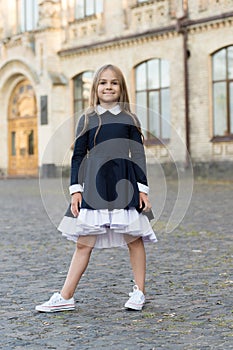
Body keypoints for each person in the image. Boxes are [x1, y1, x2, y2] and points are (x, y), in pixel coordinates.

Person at [35, 64, 157, 313]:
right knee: (83, 243)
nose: (108, 87)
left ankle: (139, 292)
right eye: (103, 82)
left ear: (121, 88)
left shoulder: (129, 118)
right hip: (95, 186)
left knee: (134, 239)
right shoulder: (88, 118)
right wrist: (75, 190)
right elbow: (78, 156)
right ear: (96, 87)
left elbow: (139, 156)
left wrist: (143, 189)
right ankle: (66, 296)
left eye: (114, 82)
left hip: (125, 184)